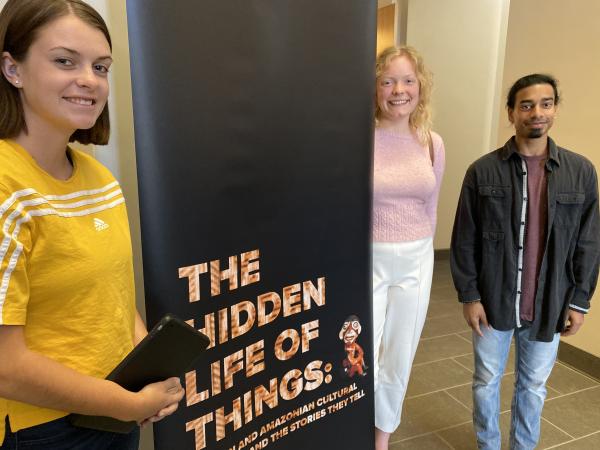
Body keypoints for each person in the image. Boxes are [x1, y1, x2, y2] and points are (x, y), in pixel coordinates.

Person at [0, 0, 185, 448]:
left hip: (112, 411)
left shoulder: (99, 179)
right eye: (65, 61)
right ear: (12, 69)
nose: (89, 80)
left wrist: (145, 373)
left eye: (100, 67)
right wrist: (124, 403)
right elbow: (5, 365)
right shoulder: (7, 189)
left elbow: (113, 297)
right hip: (45, 431)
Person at [450, 74, 599, 449]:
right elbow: (464, 239)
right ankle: (488, 445)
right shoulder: (482, 171)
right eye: (527, 105)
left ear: (555, 109)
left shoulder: (580, 172)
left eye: (546, 104)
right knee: (486, 381)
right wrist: (469, 295)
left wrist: (579, 301)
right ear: (511, 113)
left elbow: (589, 242)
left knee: (533, 386)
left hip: (550, 302)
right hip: (494, 300)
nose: (537, 113)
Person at [372, 46, 445, 450]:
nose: (398, 90)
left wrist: (422, 253)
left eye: (408, 80)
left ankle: (381, 436)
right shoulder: (358, 141)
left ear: (421, 87)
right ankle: (350, 422)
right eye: (387, 80)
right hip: (369, 258)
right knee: (360, 350)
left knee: (400, 355)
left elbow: (430, 209)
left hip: (417, 259)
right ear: (375, 88)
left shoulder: (432, 144)